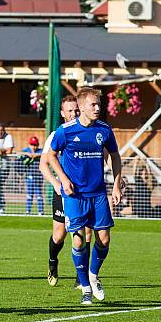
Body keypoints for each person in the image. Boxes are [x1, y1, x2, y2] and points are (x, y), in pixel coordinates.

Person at [47, 87, 123, 305]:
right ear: (81, 107)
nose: (98, 108)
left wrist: (116, 185)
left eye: (99, 104)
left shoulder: (104, 130)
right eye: (93, 104)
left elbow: (115, 157)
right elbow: (51, 156)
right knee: (78, 239)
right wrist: (62, 178)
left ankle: (93, 275)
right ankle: (85, 288)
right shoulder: (65, 131)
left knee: (104, 238)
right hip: (75, 195)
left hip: (98, 192)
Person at [40, 95, 94, 287]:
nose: (73, 114)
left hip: (86, 191)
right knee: (59, 235)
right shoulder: (57, 135)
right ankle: (53, 262)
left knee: (86, 234)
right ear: (63, 113)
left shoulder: (90, 132)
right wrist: (56, 183)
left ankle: (81, 278)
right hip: (63, 191)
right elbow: (44, 164)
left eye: (76, 110)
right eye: (69, 111)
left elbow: (105, 155)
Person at [19, 136, 44, 215]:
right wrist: (27, 154)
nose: (34, 147)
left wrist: (37, 155)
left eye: (35, 145)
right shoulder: (26, 150)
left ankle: (40, 211)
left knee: (39, 194)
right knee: (29, 194)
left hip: (38, 176)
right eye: (32, 145)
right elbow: (18, 154)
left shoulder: (40, 150)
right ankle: (28, 210)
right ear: (29, 145)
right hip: (29, 176)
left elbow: (45, 154)